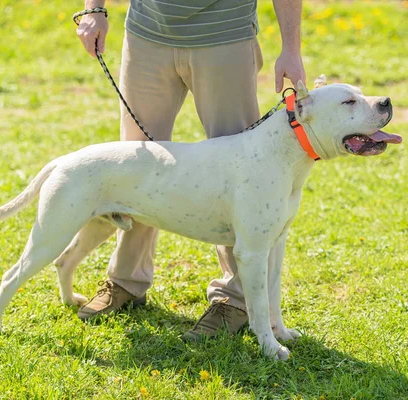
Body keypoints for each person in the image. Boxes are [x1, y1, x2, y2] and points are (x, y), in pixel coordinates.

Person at [75, 0, 305, 340]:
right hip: (147, 36)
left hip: (225, 37)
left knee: (240, 172)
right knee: (136, 166)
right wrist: (94, 9)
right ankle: (127, 280)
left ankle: (236, 300)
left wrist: (291, 47)